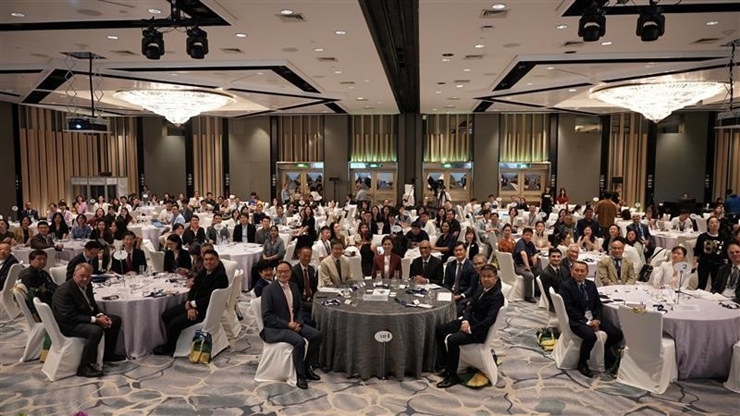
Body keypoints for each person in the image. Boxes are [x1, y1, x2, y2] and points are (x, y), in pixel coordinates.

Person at [435, 264, 504, 388]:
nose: (486, 279)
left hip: (479, 331)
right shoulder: (481, 288)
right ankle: (446, 365)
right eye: (483, 276)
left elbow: (489, 320)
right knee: (441, 330)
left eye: (489, 276)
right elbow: (470, 306)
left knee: (452, 340)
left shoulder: (497, 296)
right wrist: (465, 321)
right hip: (469, 322)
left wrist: (471, 329)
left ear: (496, 278)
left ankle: (452, 376)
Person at [52, 263, 124, 377]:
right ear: (74, 274)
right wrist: (96, 320)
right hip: (68, 325)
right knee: (95, 331)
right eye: (82, 276)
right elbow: (69, 316)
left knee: (115, 320)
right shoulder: (65, 291)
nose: (85, 279)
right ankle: (84, 367)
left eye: (88, 276)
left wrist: (101, 315)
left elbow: (92, 305)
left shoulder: (87, 285)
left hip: (81, 317)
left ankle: (108, 354)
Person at [260, 261, 322, 390]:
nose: (283, 274)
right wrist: (288, 324)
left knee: (316, 335)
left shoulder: (293, 286)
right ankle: (300, 375)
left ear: (290, 272)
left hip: (294, 323)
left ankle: (307, 367)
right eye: (280, 272)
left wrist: (298, 321)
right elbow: (267, 316)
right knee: (299, 342)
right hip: (275, 328)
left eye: (286, 272)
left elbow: (298, 308)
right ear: (276, 273)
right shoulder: (268, 290)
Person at [154, 249, 229, 356]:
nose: (208, 262)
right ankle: (175, 340)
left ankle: (170, 347)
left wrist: (193, 305)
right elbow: (193, 288)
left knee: (174, 323)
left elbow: (209, 299)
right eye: (206, 259)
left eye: (211, 259)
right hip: (194, 305)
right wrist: (190, 303)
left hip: (204, 310)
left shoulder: (220, 276)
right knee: (166, 315)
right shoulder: (205, 271)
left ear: (217, 260)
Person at [559, 260, 623, 378]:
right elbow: (569, 309)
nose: (579, 273)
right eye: (576, 270)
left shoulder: (591, 284)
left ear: (587, 272)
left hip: (593, 317)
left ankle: (604, 351)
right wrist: (587, 322)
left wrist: (597, 319)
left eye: (582, 271)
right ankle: (582, 363)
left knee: (617, 334)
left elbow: (598, 305)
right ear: (572, 271)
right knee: (590, 336)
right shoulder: (566, 286)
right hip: (577, 320)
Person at [694, 216, 727, 291]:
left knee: (715, 285)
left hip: (718, 263)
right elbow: (697, 250)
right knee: (701, 284)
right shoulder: (702, 237)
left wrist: (725, 263)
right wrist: (694, 263)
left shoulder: (724, 237)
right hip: (704, 262)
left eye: (717, 222)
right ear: (708, 225)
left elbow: (725, 251)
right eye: (712, 222)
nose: (715, 224)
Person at [443, 242, 478, 307]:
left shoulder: (472, 266)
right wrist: (448, 293)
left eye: (460, 250)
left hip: (464, 295)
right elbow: (446, 283)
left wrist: (461, 296)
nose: (458, 252)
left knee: (458, 307)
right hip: (450, 294)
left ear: (465, 251)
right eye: (456, 250)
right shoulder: (450, 265)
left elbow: (472, 286)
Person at [290, 246, 320, 324]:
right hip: (301, 301)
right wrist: (309, 300)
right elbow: (295, 292)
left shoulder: (311, 269)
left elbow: (314, 287)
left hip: (311, 298)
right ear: (299, 255)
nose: (307, 258)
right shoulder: (294, 271)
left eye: (309, 256)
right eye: (305, 256)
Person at [513, 227, 541, 303]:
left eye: (530, 235)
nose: (528, 237)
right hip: (519, 266)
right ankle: (528, 296)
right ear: (523, 235)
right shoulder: (520, 243)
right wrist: (528, 266)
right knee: (529, 275)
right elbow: (523, 253)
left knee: (539, 272)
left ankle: (537, 291)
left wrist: (535, 256)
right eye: (526, 235)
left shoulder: (530, 243)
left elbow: (536, 252)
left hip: (528, 265)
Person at [540, 248, 569, 313]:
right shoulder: (546, 274)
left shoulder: (564, 269)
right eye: (553, 256)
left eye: (558, 257)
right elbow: (549, 294)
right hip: (557, 301)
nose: (556, 259)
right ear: (549, 258)